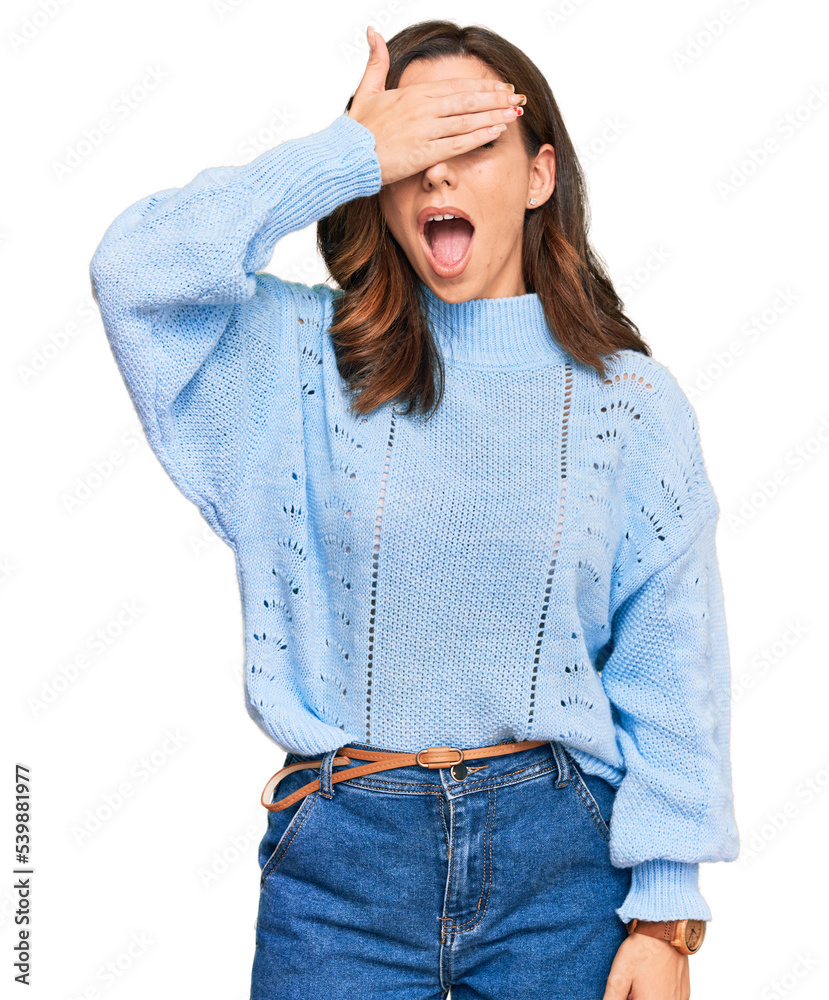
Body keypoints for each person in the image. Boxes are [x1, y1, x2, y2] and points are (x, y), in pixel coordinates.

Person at [88, 18, 740, 1000]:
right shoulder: (294, 365)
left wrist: (665, 915)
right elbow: (134, 272)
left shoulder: (628, 405)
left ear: (537, 174)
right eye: (413, 146)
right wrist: (343, 152)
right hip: (342, 867)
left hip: (562, 871)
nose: (435, 173)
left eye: (469, 140)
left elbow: (670, 668)